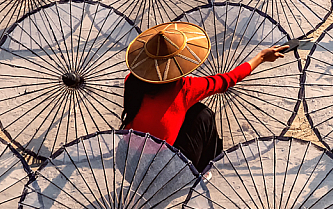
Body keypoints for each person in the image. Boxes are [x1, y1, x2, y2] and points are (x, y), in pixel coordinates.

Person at [122, 21, 286, 172]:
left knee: (190, 111)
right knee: (203, 115)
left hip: (127, 164)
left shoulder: (132, 80)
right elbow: (227, 80)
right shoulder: (185, 88)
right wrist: (262, 57)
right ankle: (202, 169)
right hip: (158, 175)